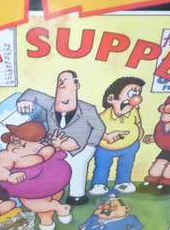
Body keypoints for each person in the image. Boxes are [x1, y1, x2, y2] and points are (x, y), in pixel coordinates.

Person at [17, 71, 105, 205]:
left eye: (66, 81)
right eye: (60, 82)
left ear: (76, 86)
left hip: (78, 148)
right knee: (46, 167)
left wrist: (89, 146)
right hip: (53, 147)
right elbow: (31, 92)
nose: (62, 84)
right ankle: (48, 193)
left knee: (78, 164)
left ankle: (77, 195)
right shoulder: (50, 103)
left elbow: (99, 127)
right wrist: (25, 100)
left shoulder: (87, 109)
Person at [0, 122, 73, 230]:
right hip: (28, 186)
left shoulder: (43, 148)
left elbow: (44, 154)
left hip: (53, 181)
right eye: (15, 140)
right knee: (35, 204)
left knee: (51, 198)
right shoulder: (8, 155)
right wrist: (9, 176)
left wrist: (54, 147)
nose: (18, 143)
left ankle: (47, 218)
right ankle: (58, 209)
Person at [89, 77, 145, 195]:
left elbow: (138, 123)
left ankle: (122, 182)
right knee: (102, 165)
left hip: (129, 146)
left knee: (126, 164)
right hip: (105, 148)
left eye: (137, 95)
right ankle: (99, 183)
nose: (135, 100)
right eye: (132, 94)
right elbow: (93, 131)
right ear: (111, 99)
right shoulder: (102, 117)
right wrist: (106, 136)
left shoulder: (134, 111)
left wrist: (139, 134)